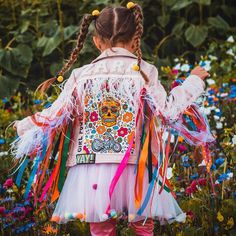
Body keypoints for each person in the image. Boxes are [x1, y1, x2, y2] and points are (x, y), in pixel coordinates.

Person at [12, 2, 211, 235]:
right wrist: (193, 82)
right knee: (143, 225)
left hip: (91, 166)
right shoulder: (145, 72)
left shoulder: (81, 75)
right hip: (136, 164)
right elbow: (168, 111)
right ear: (136, 38)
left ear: (96, 41)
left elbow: (55, 114)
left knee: (101, 227)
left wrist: (24, 126)